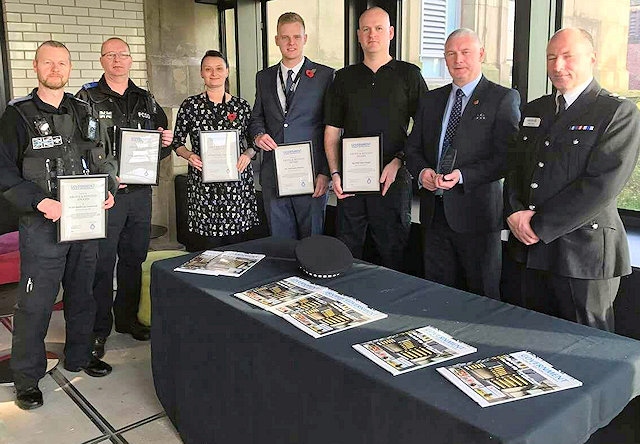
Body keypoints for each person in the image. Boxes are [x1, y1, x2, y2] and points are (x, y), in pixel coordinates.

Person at [0, 41, 117, 410]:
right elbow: (3, 171)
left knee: (83, 294)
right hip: (43, 226)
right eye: (48, 62)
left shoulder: (84, 110)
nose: (56, 68)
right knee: (35, 305)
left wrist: (108, 189)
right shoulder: (16, 116)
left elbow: (103, 158)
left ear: (69, 67)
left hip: (84, 224)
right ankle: (27, 378)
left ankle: (80, 356)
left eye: (62, 63)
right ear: (36, 66)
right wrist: (39, 201)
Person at [504, 28, 640, 331]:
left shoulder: (617, 112)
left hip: (583, 254)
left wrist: (537, 225)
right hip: (531, 249)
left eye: (568, 56)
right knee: (533, 339)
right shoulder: (536, 108)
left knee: (588, 347)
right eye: (551, 57)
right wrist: (513, 211)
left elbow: (600, 186)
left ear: (592, 59)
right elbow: (515, 167)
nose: (557, 65)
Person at [75, 37, 173, 357]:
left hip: (140, 196)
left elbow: (158, 146)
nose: (117, 60)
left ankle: (126, 320)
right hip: (106, 196)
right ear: (102, 60)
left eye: (123, 55)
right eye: (110, 55)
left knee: (133, 259)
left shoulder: (146, 99)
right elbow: (78, 148)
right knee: (102, 264)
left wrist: (167, 142)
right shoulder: (86, 98)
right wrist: (104, 178)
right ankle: (98, 329)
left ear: (131, 60)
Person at [405, 29, 520, 299]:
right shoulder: (431, 100)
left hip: (477, 216)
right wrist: (422, 173)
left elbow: (508, 158)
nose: (458, 59)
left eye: (465, 52)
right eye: (451, 54)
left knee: (482, 294)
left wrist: (463, 175)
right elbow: (412, 149)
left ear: (481, 54)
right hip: (434, 214)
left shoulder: (502, 98)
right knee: (437, 293)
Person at [324, 6, 428, 271]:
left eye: (379, 28)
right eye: (366, 30)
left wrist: (399, 162)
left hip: (393, 180)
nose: (373, 35)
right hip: (351, 181)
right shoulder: (343, 78)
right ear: (358, 35)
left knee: (393, 252)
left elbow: (424, 128)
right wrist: (335, 173)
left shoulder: (409, 75)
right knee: (347, 251)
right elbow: (332, 132)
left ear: (391, 33)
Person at [248, 12, 334, 239]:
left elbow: (333, 128)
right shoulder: (263, 77)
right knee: (280, 243)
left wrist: (326, 173)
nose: (291, 42)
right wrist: (258, 136)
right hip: (274, 175)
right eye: (285, 37)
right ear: (276, 39)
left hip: (312, 176)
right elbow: (257, 117)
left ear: (305, 38)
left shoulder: (326, 76)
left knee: (312, 242)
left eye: (296, 36)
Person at [171, 50, 259, 249]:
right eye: (208, 69)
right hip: (204, 187)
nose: (214, 73)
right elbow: (176, 142)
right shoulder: (190, 105)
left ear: (227, 72)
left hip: (236, 188)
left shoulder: (241, 106)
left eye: (219, 68)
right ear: (201, 73)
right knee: (207, 248)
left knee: (238, 247)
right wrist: (189, 155)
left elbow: (255, 141)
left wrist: (248, 154)